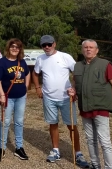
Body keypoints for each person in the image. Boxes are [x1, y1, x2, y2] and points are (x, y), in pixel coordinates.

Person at [32, 35, 90, 167]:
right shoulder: (40, 59)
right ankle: (55, 150)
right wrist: (37, 88)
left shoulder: (65, 56)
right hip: (48, 97)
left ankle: (78, 153)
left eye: (49, 44)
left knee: (72, 126)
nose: (47, 47)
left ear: (54, 44)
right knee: (53, 124)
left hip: (66, 98)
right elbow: (35, 74)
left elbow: (77, 73)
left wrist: (74, 89)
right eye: (44, 45)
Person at [68, 40, 112, 169]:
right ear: (82, 50)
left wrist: (106, 100)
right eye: (85, 47)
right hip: (85, 108)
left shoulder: (105, 64)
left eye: (91, 47)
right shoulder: (78, 66)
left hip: (100, 109)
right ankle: (95, 165)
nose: (88, 49)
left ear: (97, 50)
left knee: (104, 141)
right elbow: (76, 84)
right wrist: (73, 90)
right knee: (90, 140)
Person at [0, 38, 30, 160]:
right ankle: (2, 147)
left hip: (21, 97)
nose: (15, 49)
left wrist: (26, 87)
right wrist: (2, 94)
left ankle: (19, 147)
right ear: (8, 48)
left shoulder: (22, 62)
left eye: (17, 47)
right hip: (8, 97)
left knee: (19, 122)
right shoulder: (2, 62)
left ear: (20, 50)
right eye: (12, 46)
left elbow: (27, 73)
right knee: (5, 122)